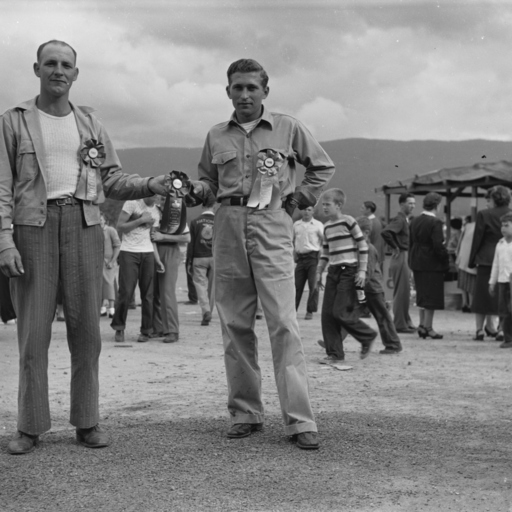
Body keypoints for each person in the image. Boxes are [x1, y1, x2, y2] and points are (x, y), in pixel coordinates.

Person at [0, 40, 170, 454]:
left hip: (85, 225)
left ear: (76, 74)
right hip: (33, 227)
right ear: (37, 69)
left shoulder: (91, 123)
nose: (58, 70)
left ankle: (87, 421)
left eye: (66, 65)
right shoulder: (13, 121)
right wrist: (4, 241)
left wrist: (151, 184)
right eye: (50, 63)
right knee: (33, 333)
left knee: (87, 332)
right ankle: (30, 426)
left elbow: (112, 179)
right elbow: (2, 186)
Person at [192, 58, 334, 450]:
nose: (244, 95)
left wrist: (298, 200)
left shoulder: (288, 127)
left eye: (252, 88)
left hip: (272, 222)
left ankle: (300, 420)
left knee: (283, 322)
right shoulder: (216, 134)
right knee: (234, 323)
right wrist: (197, 190)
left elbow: (321, 167)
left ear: (265, 91)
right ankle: (245, 413)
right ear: (228, 91)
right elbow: (208, 181)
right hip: (227, 225)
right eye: (237, 88)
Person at [315, 189, 377, 362]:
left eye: (328, 204)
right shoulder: (327, 227)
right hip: (333, 271)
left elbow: (362, 246)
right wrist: (319, 272)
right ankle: (335, 354)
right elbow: (325, 252)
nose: (324, 207)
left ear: (339, 205)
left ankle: (367, 335)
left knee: (340, 312)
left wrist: (362, 271)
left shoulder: (349, 221)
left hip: (348, 271)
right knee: (327, 314)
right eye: (323, 204)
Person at [110, 196, 163, 343]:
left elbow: (152, 237)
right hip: (129, 251)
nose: (155, 197)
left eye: (157, 195)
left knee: (148, 295)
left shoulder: (156, 211)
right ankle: (119, 327)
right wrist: (141, 220)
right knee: (126, 292)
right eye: (152, 194)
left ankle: (146, 331)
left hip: (148, 253)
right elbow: (120, 226)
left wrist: (157, 259)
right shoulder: (132, 203)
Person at [469, 186, 512, 341]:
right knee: (504, 296)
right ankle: (501, 329)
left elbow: (477, 238)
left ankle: (479, 330)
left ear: (494, 198)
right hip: (508, 258)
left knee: (481, 296)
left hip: (486, 258)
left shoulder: (484, 214)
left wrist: (472, 260)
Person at [356, 216, 402, 354]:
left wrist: (357, 287)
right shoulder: (360, 247)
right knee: (347, 315)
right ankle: (334, 343)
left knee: (382, 317)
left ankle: (393, 344)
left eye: (356, 231)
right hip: (365, 287)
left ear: (366, 233)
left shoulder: (369, 249)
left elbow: (368, 272)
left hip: (372, 289)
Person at [408, 193, 450, 339]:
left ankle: (421, 324)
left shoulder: (415, 220)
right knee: (431, 297)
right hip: (431, 262)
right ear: (437, 205)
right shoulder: (436, 222)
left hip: (417, 260)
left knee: (422, 295)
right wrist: (445, 260)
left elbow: (410, 242)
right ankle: (428, 327)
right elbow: (438, 245)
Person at [150, 197, 191, 343]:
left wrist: (163, 237)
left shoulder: (176, 214)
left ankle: (172, 330)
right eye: (161, 198)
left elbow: (187, 238)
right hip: (150, 250)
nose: (163, 201)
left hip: (169, 251)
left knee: (167, 292)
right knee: (153, 292)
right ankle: (158, 328)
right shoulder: (152, 211)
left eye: (165, 198)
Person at [381, 193, 416, 333]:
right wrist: (395, 246)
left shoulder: (404, 220)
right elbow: (386, 232)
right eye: (410, 203)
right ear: (402, 204)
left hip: (403, 255)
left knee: (405, 291)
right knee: (402, 292)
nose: (412, 206)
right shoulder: (400, 219)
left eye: (414, 203)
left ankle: (405, 321)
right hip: (400, 255)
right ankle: (400, 324)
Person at [186, 197, 216, 326]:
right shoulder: (219, 221)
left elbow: (191, 243)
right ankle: (210, 311)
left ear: (202, 206)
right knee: (212, 288)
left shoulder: (195, 222)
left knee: (200, 285)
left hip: (198, 257)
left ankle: (205, 310)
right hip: (215, 257)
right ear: (214, 206)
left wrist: (189, 260)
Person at [293, 206, 324, 320]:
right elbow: (293, 240)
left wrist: (321, 253)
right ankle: (292, 310)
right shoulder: (296, 225)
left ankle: (310, 311)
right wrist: (294, 253)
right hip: (301, 258)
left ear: (313, 211)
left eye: (309, 210)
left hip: (313, 257)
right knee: (296, 285)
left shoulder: (318, 225)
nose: (306, 212)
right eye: (304, 209)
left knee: (313, 285)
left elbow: (324, 240)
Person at [489, 212, 512, 349]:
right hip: (502, 282)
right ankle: (508, 338)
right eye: (502, 226)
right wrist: (492, 282)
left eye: (507, 225)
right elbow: (496, 264)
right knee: (504, 311)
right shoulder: (500, 244)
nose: (503, 228)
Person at [100, 212, 121, 318]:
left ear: (105, 220)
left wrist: (112, 261)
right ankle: (102, 307)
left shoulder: (110, 230)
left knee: (109, 283)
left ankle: (112, 308)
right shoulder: (95, 231)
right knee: (100, 284)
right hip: (98, 261)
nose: (99, 221)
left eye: (101, 219)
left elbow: (117, 245)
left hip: (109, 261)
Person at [455, 215, 476, 313]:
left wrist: (458, 259)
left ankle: (464, 303)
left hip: (462, 259)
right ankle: (471, 304)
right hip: (471, 262)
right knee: (471, 284)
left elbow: (459, 245)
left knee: (463, 284)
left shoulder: (467, 228)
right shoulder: (475, 227)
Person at [361, 200, 386, 269]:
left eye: (362, 208)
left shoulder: (369, 223)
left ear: (368, 210)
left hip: (372, 256)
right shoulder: (377, 221)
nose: (361, 210)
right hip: (379, 254)